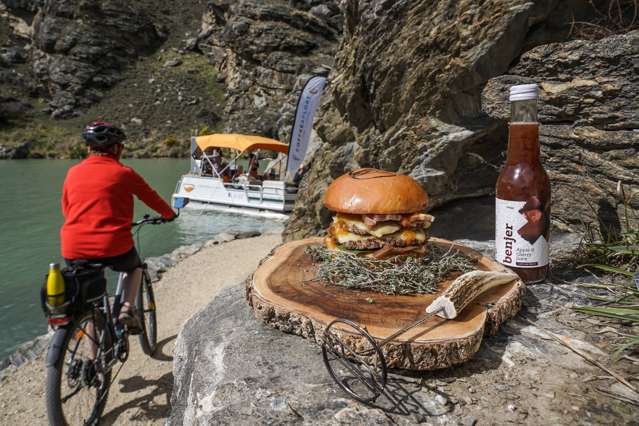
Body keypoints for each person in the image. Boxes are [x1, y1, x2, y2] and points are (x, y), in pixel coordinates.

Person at [60, 121, 176, 330]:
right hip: (112, 244)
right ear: (118, 148)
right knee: (135, 268)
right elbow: (151, 198)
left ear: (88, 148)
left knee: (91, 306)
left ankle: (93, 358)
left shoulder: (72, 172)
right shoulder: (124, 173)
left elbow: (67, 209)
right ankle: (126, 309)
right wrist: (169, 214)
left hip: (73, 245)